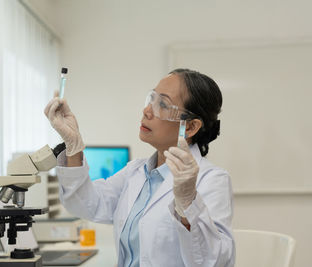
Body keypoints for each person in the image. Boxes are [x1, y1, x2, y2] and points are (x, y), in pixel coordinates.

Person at [44, 68, 235, 267]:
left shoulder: (212, 179)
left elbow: (215, 262)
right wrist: (73, 145)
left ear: (190, 127)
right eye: (151, 99)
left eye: (162, 104)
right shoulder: (136, 171)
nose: (147, 110)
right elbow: (86, 204)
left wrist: (189, 204)